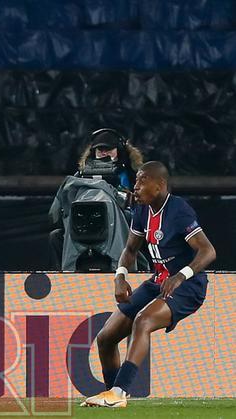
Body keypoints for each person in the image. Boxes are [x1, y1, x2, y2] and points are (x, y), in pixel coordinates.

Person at [82, 161, 216, 408]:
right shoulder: (142, 211)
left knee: (143, 320)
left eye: (143, 180)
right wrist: (120, 276)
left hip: (188, 285)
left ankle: (119, 392)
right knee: (105, 338)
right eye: (136, 180)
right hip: (158, 282)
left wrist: (180, 276)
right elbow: (130, 249)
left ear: (159, 185)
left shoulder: (179, 211)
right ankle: (114, 394)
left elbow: (208, 251)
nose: (137, 186)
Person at [49, 128, 144, 270]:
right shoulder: (79, 175)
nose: (104, 153)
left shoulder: (133, 175)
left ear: (120, 150)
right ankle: (62, 277)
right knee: (55, 236)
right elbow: (57, 212)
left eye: (108, 149)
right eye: (100, 150)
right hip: (80, 226)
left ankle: (144, 273)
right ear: (93, 152)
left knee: (139, 227)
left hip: (123, 224)